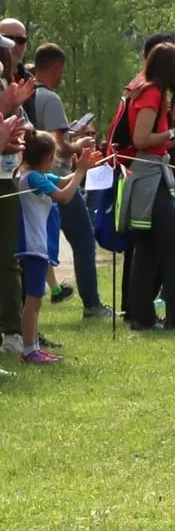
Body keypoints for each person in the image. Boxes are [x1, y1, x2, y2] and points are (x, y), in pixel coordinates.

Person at [117, 43, 175, 332]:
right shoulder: (152, 92)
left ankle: (142, 317)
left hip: (148, 172)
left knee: (148, 247)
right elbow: (141, 139)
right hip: (148, 177)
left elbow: (152, 141)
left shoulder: (141, 88)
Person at [25, 43, 112, 318]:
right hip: (57, 179)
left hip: (33, 179)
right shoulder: (50, 98)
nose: (62, 76)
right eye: (62, 71)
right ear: (56, 67)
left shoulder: (27, 95)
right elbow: (61, 148)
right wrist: (80, 145)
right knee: (84, 239)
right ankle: (92, 304)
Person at [16, 130, 100, 364]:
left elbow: (64, 181)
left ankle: (32, 348)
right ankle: (29, 350)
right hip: (33, 245)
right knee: (33, 301)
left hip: (38, 245)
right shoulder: (33, 178)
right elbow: (64, 196)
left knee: (36, 300)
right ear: (48, 156)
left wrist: (83, 168)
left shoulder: (37, 176)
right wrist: (80, 171)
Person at [0, 30, 36, 359]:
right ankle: (11, 329)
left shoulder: (6, 84)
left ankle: (14, 329)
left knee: (10, 256)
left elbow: (14, 129)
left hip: (7, 175)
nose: (11, 55)